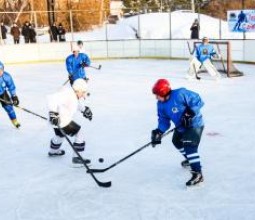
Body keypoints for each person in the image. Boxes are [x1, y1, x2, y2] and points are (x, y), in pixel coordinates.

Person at [151, 79, 204, 187]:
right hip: (181, 127)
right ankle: (190, 160)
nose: (156, 97)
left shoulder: (180, 94)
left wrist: (190, 112)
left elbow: (198, 100)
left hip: (194, 125)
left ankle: (198, 174)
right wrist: (159, 131)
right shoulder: (160, 105)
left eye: (157, 95)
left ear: (163, 92)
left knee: (189, 145)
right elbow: (164, 121)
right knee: (177, 141)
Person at [47, 79, 93, 165]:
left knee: (60, 135)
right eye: (83, 92)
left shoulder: (73, 94)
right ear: (77, 90)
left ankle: (53, 151)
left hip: (57, 120)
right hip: (62, 120)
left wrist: (84, 110)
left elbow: (77, 103)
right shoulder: (68, 94)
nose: (84, 95)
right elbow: (52, 99)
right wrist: (53, 113)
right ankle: (77, 158)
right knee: (80, 133)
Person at [0, 62, 20, 128]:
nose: (0, 72)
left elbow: (11, 87)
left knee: (9, 108)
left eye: (1, 70)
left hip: (2, 93)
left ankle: (15, 121)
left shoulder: (7, 76)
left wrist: (14, 96)